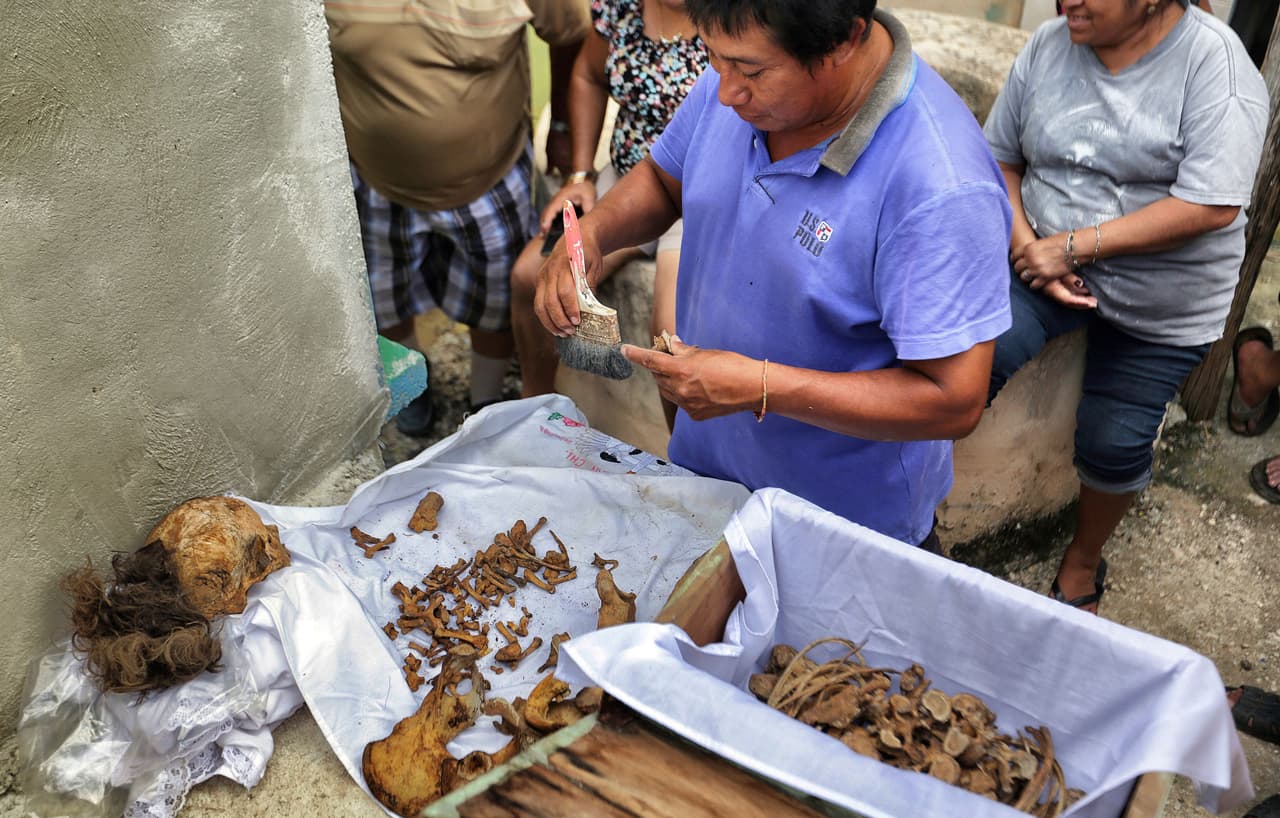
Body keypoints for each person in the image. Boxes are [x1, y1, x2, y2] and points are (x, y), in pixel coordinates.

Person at [535, 0, 1013, 549]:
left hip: (838, 529)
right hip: (709, 483)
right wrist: (594, 233)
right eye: (714, 60)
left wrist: (759, 386)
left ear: (844, 41)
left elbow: (953, 398)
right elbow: (667, 179)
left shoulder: (941, 186)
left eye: (752, 72)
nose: (725, 94)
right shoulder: (741, 74)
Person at [984, 0, 1268, 612]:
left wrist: (1073, 248)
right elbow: (1000, 159)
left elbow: (1211, 203)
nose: (1069, 2)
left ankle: (1083, 557)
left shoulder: (1215, 66)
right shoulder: (1049, 45)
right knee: (973, 358)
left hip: (1159, 300)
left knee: (1115, 442)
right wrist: (1029, 247)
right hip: (1040, 260)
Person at [325, 0, 589, 435]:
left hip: (492, 177)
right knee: (383, 296)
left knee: (494, 301)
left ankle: (484, 403)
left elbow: (570, 37)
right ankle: (411, 386)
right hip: (376, 180)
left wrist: (561, 125)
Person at [510, 0, 707, 431]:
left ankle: (683, 463)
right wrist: (580, 174)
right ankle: (536, 414)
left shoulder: (735, 16)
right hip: (631, 178)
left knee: (671, 336)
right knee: (533, 275)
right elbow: (585, 73)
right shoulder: (622, 8)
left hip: (699, 192)